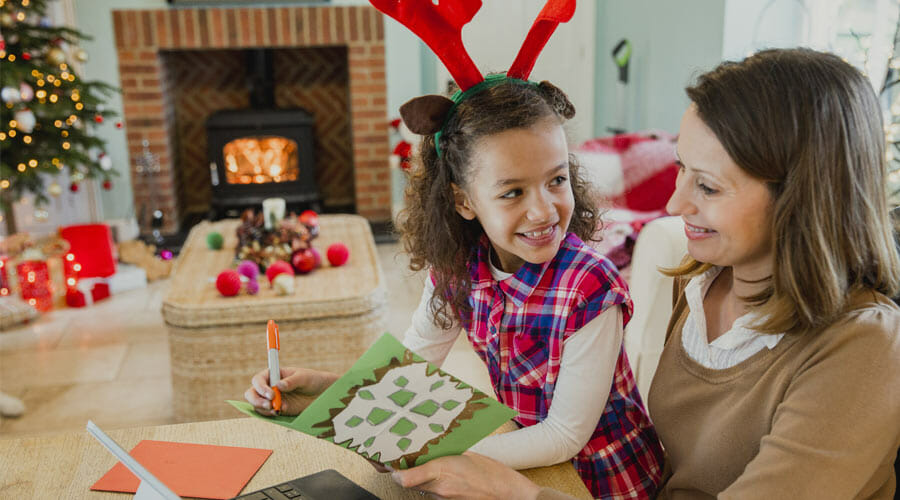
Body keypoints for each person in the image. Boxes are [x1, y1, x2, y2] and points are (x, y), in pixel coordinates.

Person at [388, 47, 900, 499]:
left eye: (709, 186)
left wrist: (517, 492)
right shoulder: (705, 282)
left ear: (803, 197)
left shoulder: (864, 350)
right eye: (681, 169)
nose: (675, 203)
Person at [246, 77, 664, 498]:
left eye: (556, 181)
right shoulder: (457, 269)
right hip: (520, 457)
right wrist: (329, 392)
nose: (542, 210)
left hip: (600, 480)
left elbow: (563, 435)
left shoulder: (591, 286)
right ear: (464, 201)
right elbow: (408, 368)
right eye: (513, 192)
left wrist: (442, 453)